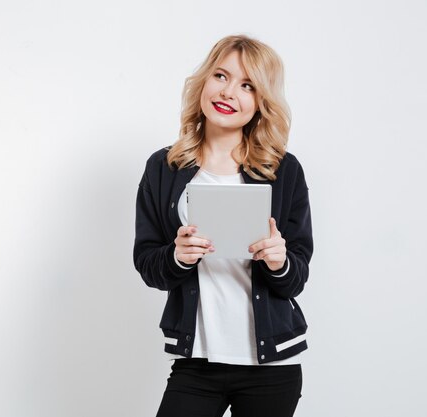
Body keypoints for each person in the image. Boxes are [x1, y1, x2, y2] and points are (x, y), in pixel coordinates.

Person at [133, 34, 314, 417]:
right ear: (204, 81)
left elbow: (296, 277)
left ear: (261, 102)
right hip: (197, 362)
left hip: (272, 368)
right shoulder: (164, 168)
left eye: (247, 85)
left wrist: (280, 261)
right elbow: (149, 264)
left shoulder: (283, 171)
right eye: (221, 76)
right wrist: (177, 257)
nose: (229, 92)